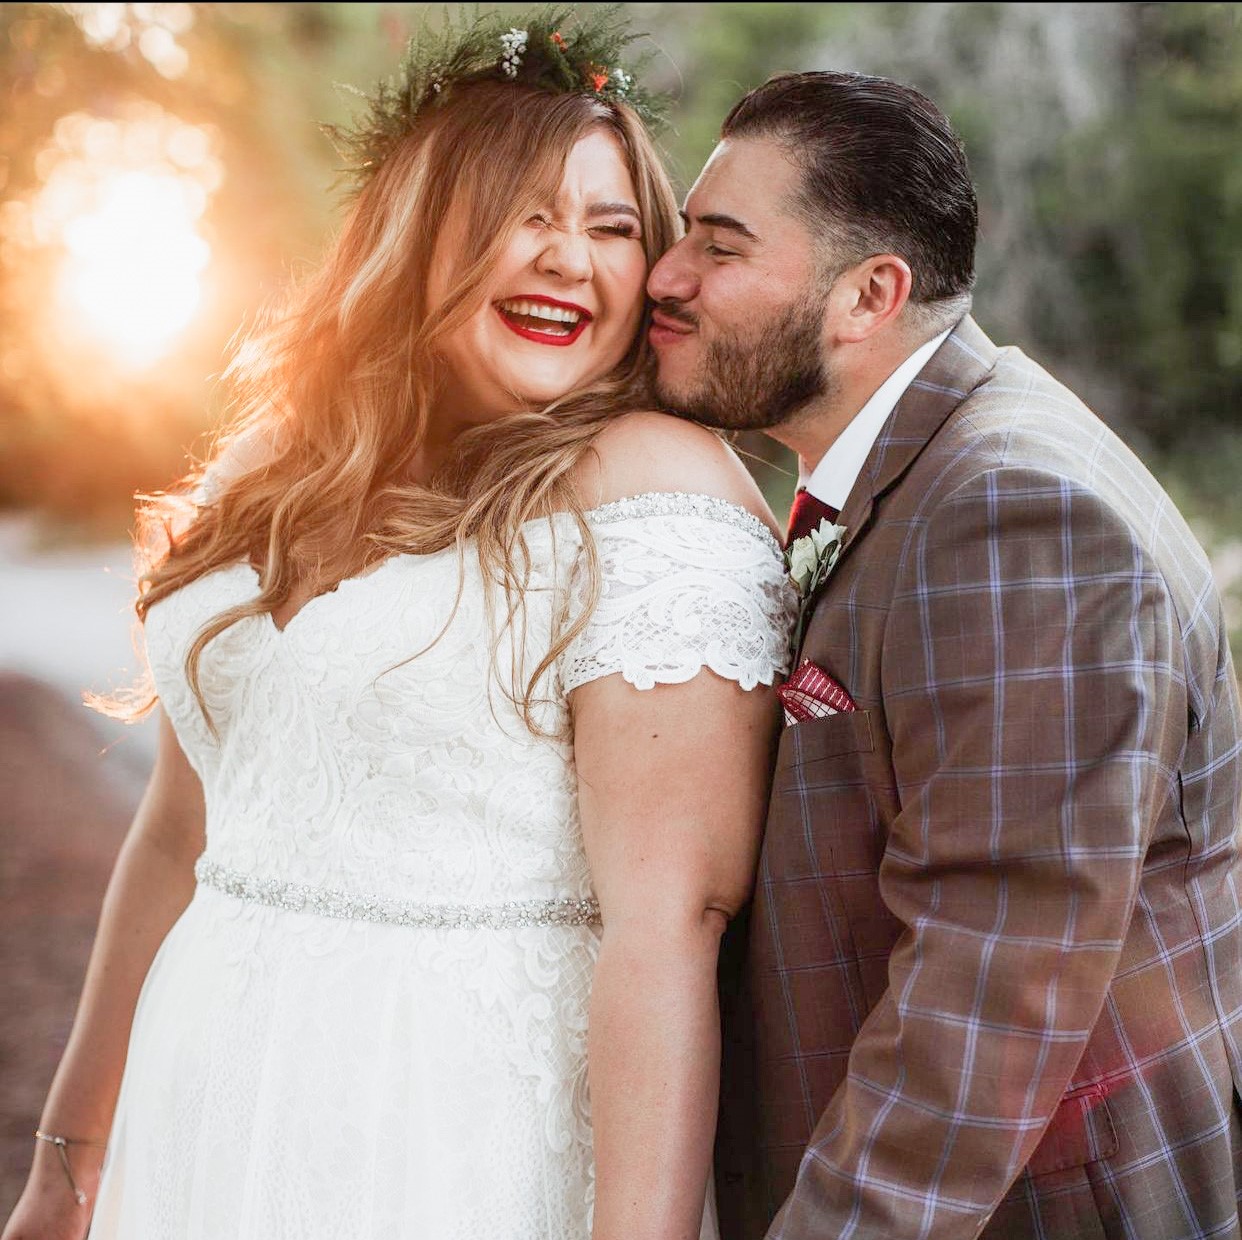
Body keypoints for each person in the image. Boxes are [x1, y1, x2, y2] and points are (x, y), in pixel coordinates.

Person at [2, 12, 795, 1240]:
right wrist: (69, 1155)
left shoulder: (653, 485)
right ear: (420, 235)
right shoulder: (284, 463)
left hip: (444, 1126)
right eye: (523, 215)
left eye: (612, 226)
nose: (569, 261)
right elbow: (179, 831)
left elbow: (671, 928)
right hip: (202, 1101)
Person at [648, 70, 1242, 1240]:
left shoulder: (1016, 516)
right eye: (680, 236)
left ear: (870, 295)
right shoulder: (915, 469)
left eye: (718, 247)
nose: (667, 278)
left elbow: (987, 1002)